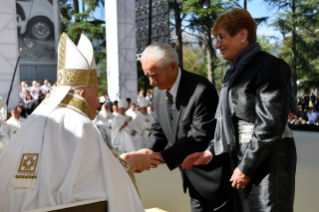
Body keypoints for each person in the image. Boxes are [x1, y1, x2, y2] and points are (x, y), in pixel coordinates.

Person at [0, 33, 161, 212]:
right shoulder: (79, 123)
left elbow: (72, 176)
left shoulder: (38, 120)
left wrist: (119, 162)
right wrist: (131, 164)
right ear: (82, 94)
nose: (99, 102)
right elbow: (87, 194)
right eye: (96, 92)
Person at [182, 8, 296, 212]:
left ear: (242, 35)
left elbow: (269, 125)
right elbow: (229, 125)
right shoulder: (233, 74)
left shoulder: (271, 66)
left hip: (268, 161)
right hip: (242, 160)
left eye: (221, 37)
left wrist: (246, 167)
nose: (217, 45)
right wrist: (209, 152)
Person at [141, 42, 231, 212]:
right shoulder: (158, 92)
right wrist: (147, 152)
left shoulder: (201, 90)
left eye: (154, 75)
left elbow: (198, 136)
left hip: (214, 179)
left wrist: (159, 158)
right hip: (191, 180)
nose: (151, 82)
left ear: (173, 67)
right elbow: (159, 126)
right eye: (147, 76)